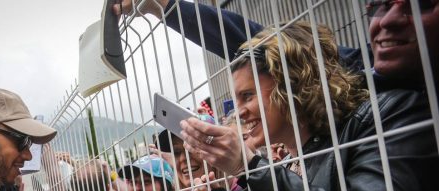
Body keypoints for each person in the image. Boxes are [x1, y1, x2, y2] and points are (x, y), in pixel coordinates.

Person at [180, 21, 439, 191]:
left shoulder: (377, 118)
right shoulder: (284, 166)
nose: (239, 111)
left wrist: (248, 167)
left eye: (247, 96)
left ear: (290, 84)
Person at [115, 0, 439, 92]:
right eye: (379, 5)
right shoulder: (359, 71)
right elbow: (259, 41)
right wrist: (165, 6)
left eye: (422, 4)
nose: (387, 20)